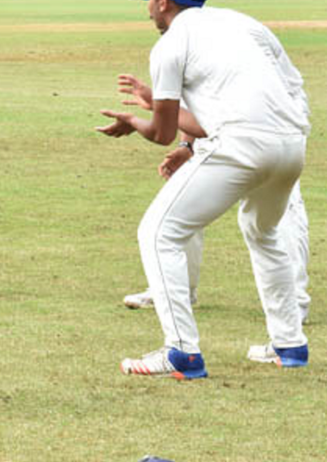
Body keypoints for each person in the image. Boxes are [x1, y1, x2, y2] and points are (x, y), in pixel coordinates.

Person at [96, 0, 309, 379]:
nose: (147, 5)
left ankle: (181, 353)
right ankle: (290, 345)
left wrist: (134, 123)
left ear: (162, 2)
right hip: (291, 145)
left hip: (242, 146)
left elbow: (161, 133)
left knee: (158, 233)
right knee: (262, 231)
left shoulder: (170, 45)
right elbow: (283, 87)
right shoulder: (245, 24)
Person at [114, 73, 311, 328]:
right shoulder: (184, 42)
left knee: (276, 216)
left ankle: (293, 303)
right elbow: (195, 97)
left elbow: (181, 121)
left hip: (271, 124)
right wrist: (187, 147)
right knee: (180, 201)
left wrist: (154, 107)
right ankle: (176, 288)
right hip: (226, 126)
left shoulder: (241, 42)